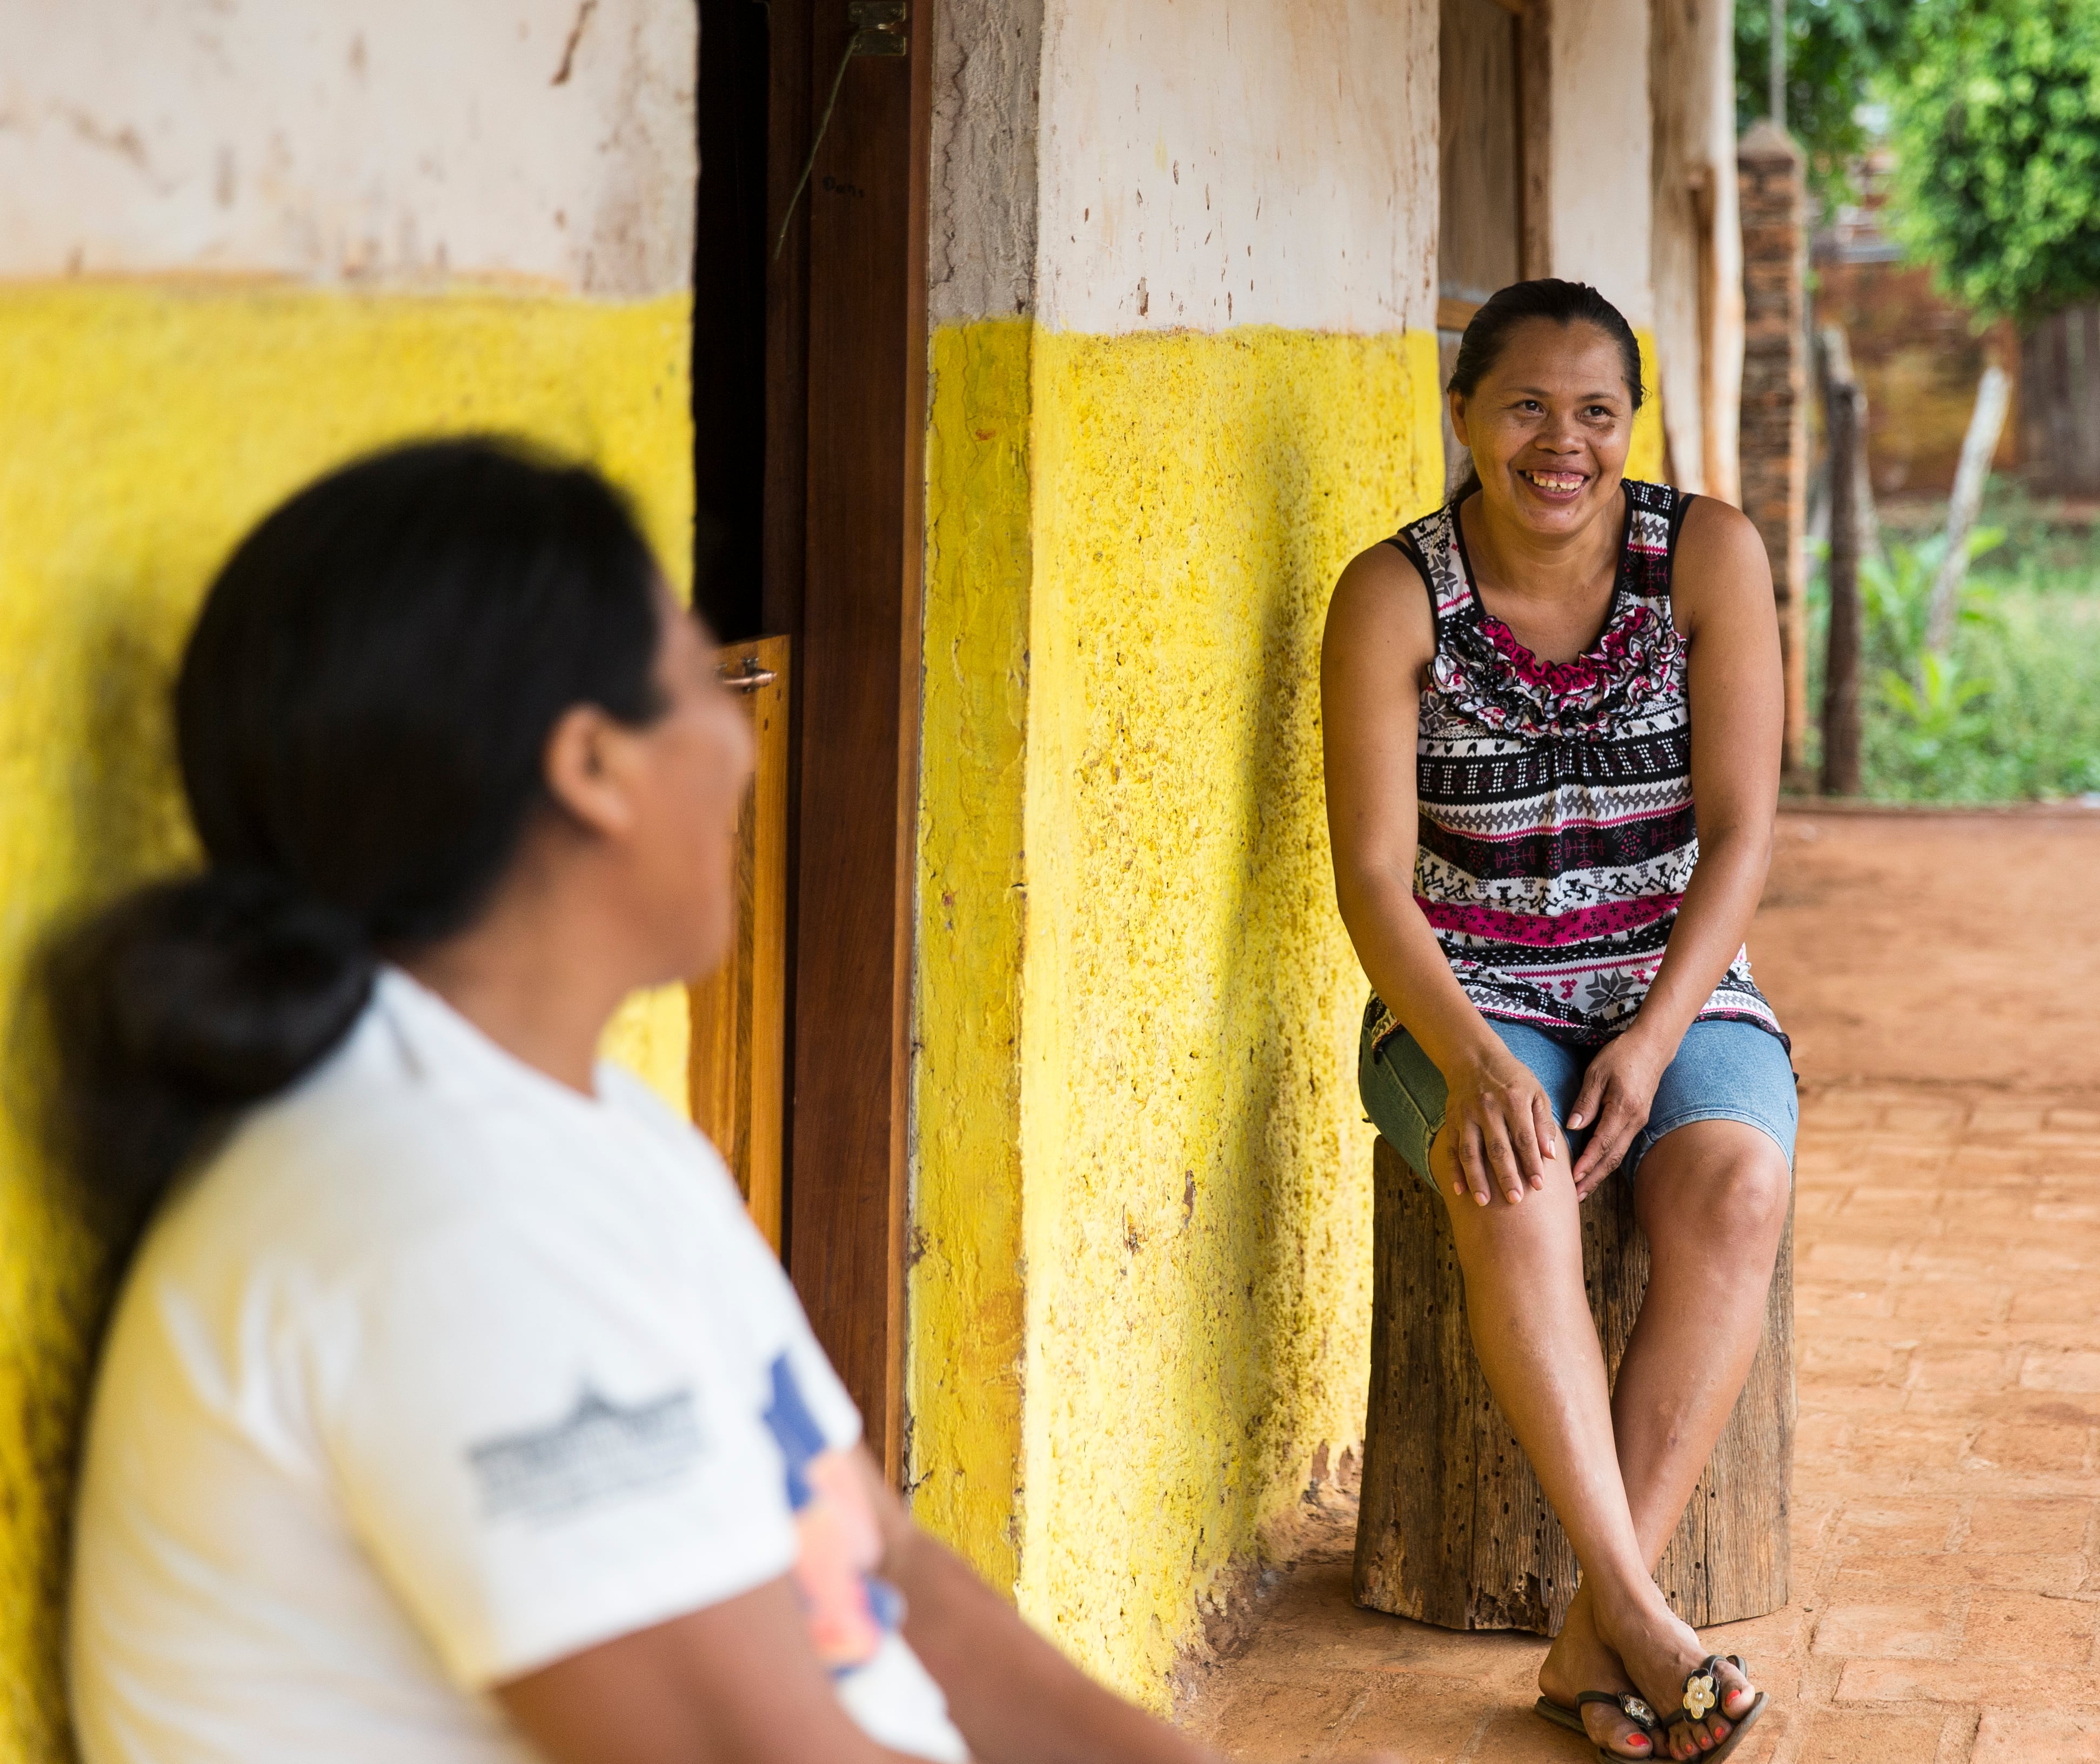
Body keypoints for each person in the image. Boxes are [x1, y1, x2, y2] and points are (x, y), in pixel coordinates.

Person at [49, 439, 1226, 1764]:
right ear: (593, 765)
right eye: (700, 676)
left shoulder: (594, 1132)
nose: (739, 738)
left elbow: (875, 1559)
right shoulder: (441, 1220)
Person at [1320, 280, 1795, 1764]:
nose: (1563, 444)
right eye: (1526, 406)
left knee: (1737, 1182)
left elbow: (1742, 830)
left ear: (1630, 426)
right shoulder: (1392, 594)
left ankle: (1602, 1626)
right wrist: (1470, 1061)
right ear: (1464, 416)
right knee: (1514, 1179)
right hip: (1466, 997)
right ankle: (1649, 1630)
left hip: (1672, 982)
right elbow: (1373, 879)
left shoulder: (1706, 556)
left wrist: (1654, 1042)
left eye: (1597, 410)